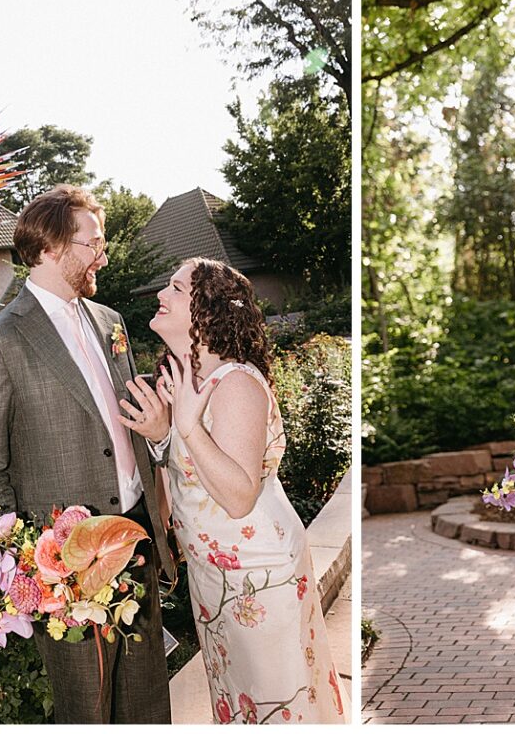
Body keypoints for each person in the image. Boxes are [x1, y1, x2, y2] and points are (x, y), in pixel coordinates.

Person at [0, 185, 172, 724]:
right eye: (93, 244)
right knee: (90, 706)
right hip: (67, 564)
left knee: (148, 697)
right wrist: (30, 565)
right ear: (52, 248)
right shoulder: (0, 342)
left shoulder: (110, 322)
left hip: (136, 534)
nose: (103, 255)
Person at [119, 255, 345, 724]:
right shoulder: (187, 379)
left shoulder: (236, 381)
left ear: (207, 311)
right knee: (240, 699)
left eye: (176, 289)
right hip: (215, 576)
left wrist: (184, 427)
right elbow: (190, 472)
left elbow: (239, 495)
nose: (161, 295)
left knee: (277, 701)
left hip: (258, 575)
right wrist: (165, 434)